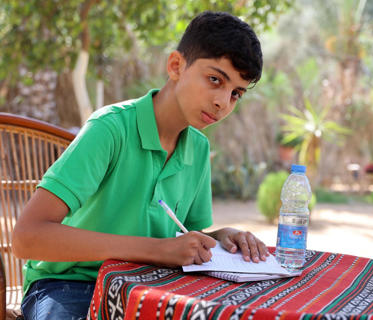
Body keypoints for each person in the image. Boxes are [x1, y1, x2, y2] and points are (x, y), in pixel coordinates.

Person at [12, 11, 268, 319]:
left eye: (236, 93)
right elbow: (27, 237)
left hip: (148, 286)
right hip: (70, 285)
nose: (223, 102)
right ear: (176, 66)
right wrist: (157, 251)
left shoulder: (198, 149)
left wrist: (218, 237)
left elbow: (182, 236)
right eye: (215, 79)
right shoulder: (110, 129)